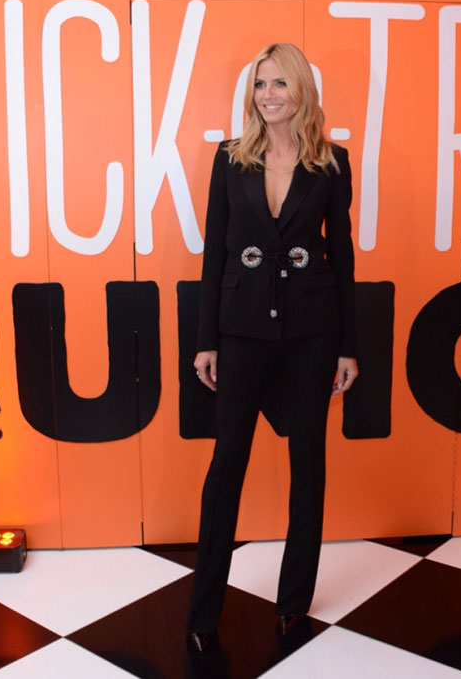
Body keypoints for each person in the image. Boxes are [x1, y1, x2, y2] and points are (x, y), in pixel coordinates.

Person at [186, 42, 358, 652]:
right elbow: (214, 255)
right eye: (260, 85)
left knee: (308, 465)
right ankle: (202, 614)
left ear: (301, 92)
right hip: (241, 332)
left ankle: (293, 604)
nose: (268, 95)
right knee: (226, 464)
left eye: (280, 84)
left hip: (313, 333)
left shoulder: (331, 163)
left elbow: (342, 257)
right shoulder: (230, 160)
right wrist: (207, 339)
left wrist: (347, 347)